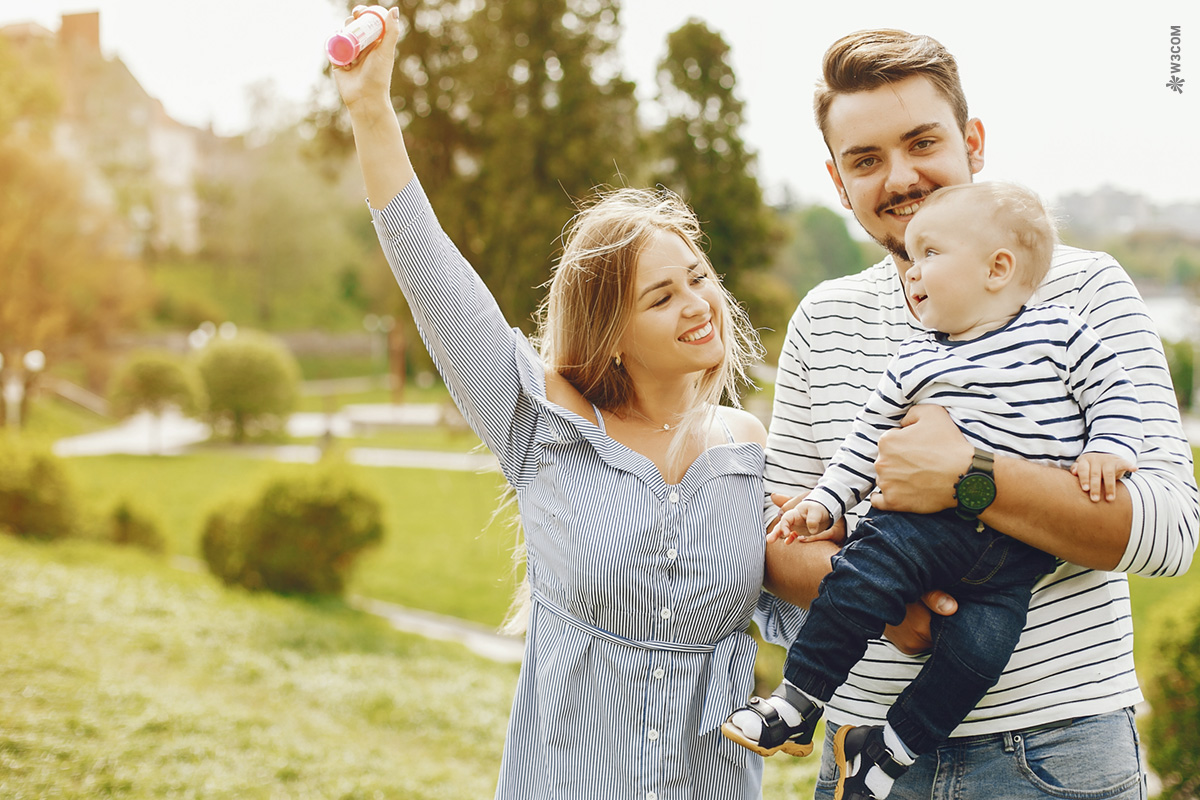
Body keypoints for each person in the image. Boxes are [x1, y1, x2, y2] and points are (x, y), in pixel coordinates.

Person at [330, 7, 776, 799]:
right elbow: (437, 283)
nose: (699, 304)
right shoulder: (542, 426)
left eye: (699, 278)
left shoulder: (750, 447)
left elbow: (804, 611)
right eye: (663, 296)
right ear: (610, 333)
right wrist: (372, 111)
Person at [755, 29, 1198, 800]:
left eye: (922, 141)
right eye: (865, 160)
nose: (900, 176)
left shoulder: (1084, 293)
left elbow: (1168, 532)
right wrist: (892, 602)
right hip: (860, 756)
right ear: (837, 179)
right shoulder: (823, 321)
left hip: (1057, 757)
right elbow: (776, 546)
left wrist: (971, 478)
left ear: (973, 143)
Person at [723, 181, 1142, 800]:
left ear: (997, 269)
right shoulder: (917, 359)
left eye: (930, 256)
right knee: (859, 579)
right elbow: (866, 444)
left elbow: (1112, 393)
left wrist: (1110, 446)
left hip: (1017, 556)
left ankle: (889, 751)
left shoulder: (1065, 333)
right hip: (922, 530)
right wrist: (825, 502)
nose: (911, 273)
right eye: (909, 258)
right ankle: (797, 700)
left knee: (979, 655)